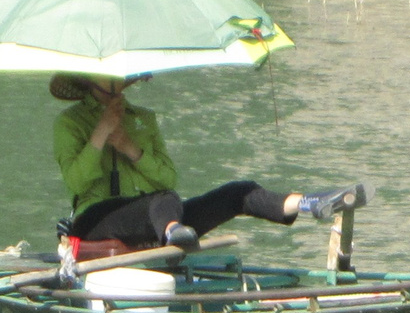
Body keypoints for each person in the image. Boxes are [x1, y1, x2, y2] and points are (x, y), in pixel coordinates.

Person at [50, 73, 365, 251]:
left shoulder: (143, 119)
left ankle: (309, 202)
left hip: (157, 212)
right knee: (162, 202)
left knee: (237, 192)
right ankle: (175, 235)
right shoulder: (70, 123)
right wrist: (101, 134)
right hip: (95, 220)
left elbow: (167, 178)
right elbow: (75, 182)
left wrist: (131, 148)